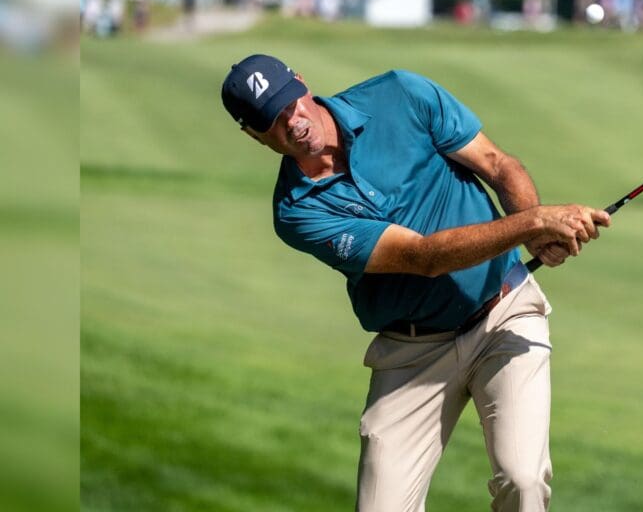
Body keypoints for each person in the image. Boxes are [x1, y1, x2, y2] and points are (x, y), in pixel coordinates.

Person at [220, 55, 610, 512]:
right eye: (273, 120)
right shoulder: (297, 213)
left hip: (505, 311)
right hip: (412, 352)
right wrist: (535, 224)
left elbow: (497, 164)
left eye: (291, 103)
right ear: (252, 133)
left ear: (302, 83)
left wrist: (535, 226)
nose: (294, 121)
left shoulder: (400, 95)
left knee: (522, 480)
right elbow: (422, 257)